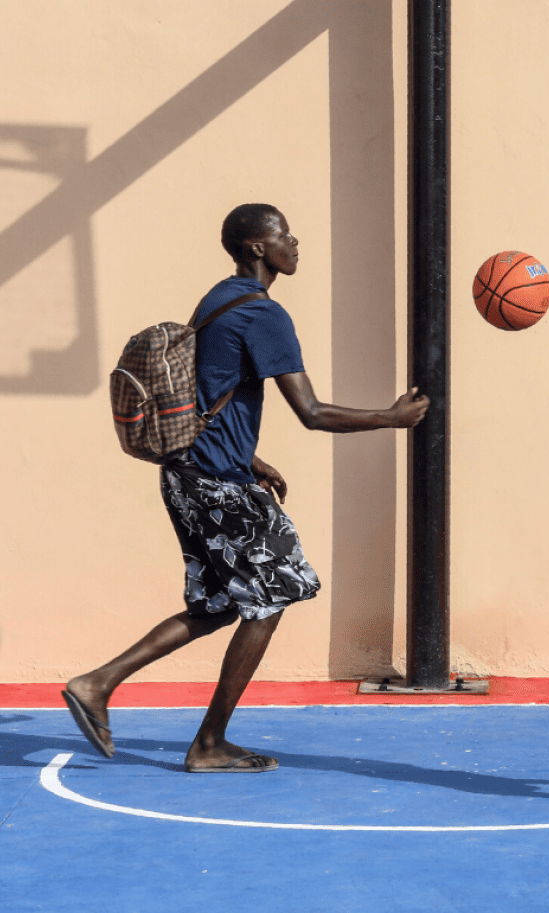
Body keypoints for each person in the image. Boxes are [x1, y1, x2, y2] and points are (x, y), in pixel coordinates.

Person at [62, 203, 429, 773]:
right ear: (258, 247)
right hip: (215, 482)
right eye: (284, 233)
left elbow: (203, 393)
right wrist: (390, 417)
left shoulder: (216, 299)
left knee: (216, 606)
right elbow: (311, 411)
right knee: (275, 593)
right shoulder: (264, 315)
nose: (296, 241)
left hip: (187, 473)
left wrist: (249, 457)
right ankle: (208, 742)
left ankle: (96, 682)